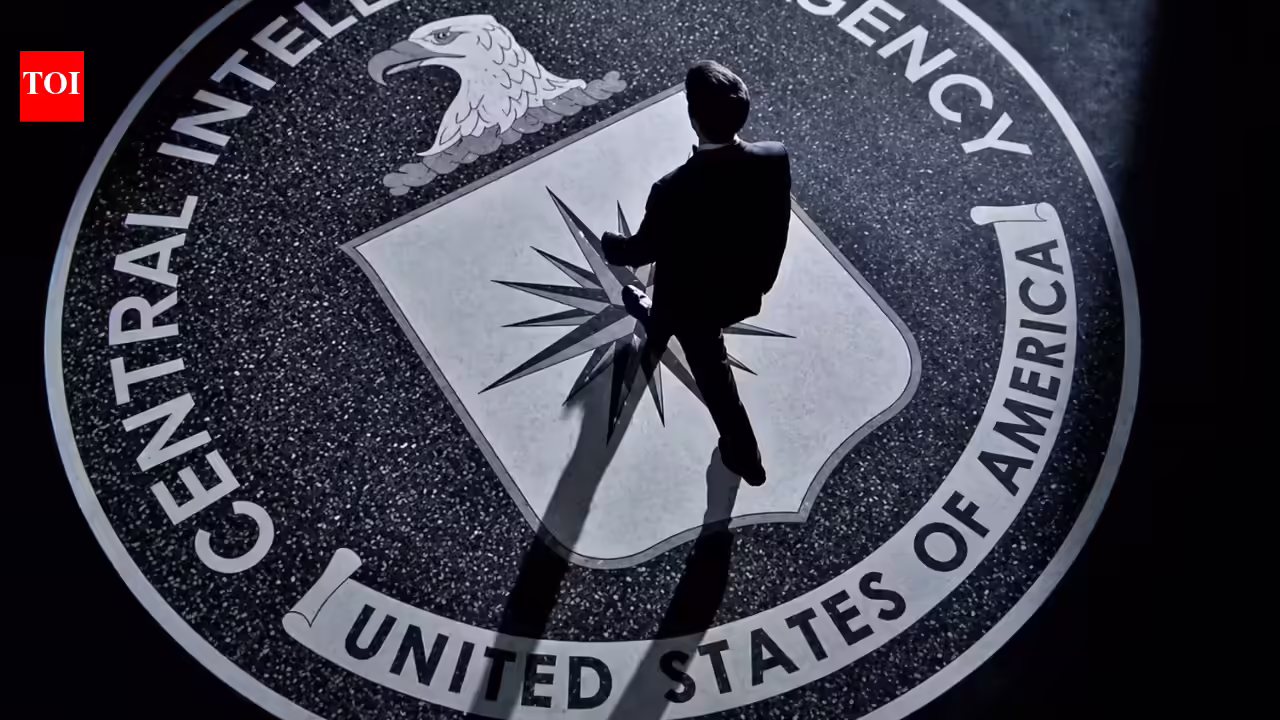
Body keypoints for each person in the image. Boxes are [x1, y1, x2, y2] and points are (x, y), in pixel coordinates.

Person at [602, 60, 791, 487]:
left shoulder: (672, 188)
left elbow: (642, 250)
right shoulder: (773, 157)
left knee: (714, 379)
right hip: (741, 292)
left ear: (693, 119)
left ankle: (747, 458)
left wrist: (611, 245)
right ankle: (657, 321)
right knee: (695, 349)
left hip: (691, 305)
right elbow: (775, 225)